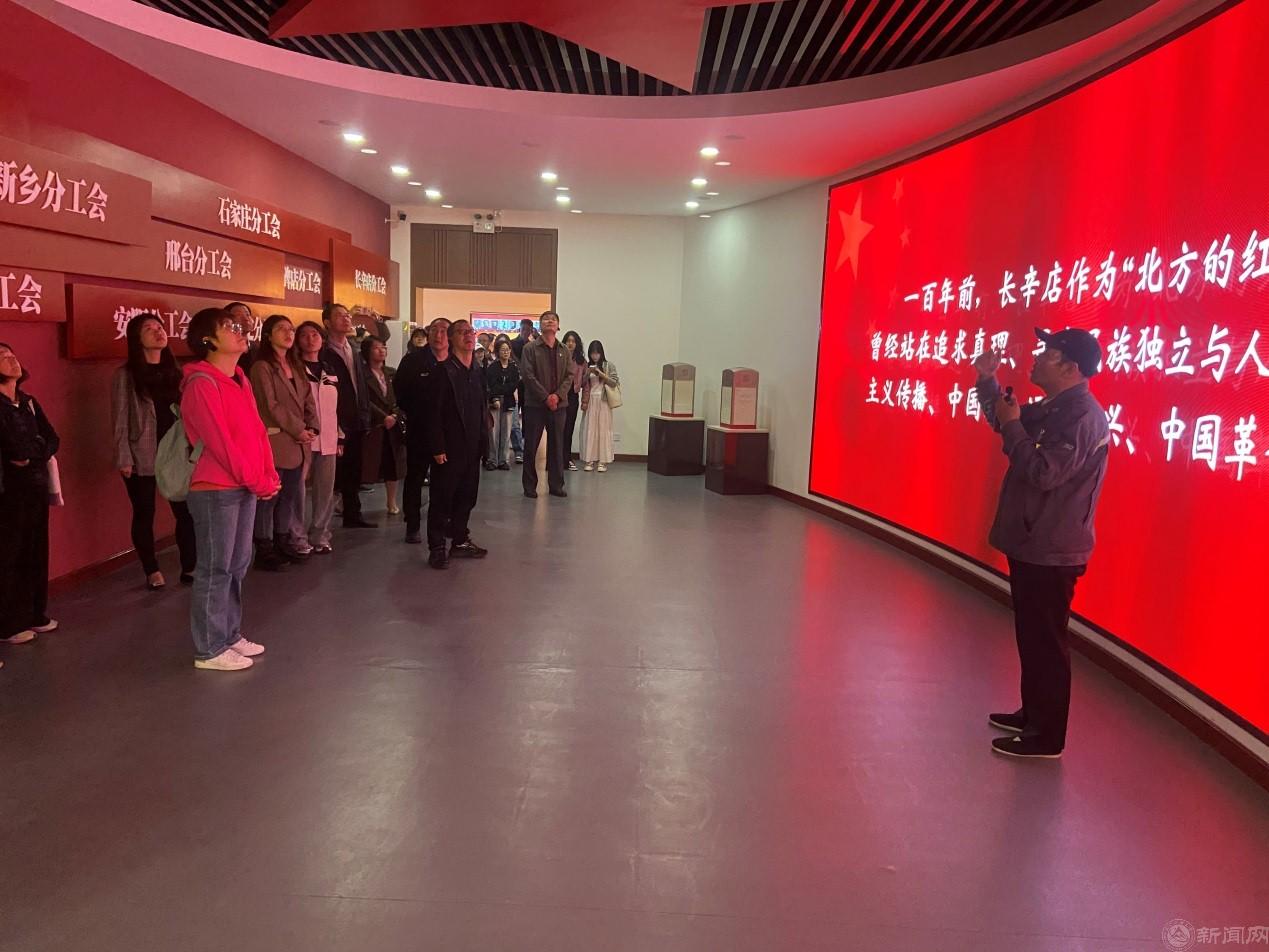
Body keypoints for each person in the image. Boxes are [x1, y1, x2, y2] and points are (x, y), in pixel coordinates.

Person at [973, 327, 1109, 759]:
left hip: (1053, 549)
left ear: (1070, 368)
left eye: (1047, 354)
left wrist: (1014, 425)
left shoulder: (1081, 416)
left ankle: (1047, 736)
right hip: (1035, 542)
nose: (1036, 358)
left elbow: (1043, 472)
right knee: (1032, 636)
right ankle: (1033, 714)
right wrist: (988, 382)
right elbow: (1003, 422)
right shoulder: (1055, 407)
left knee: (1046, 642)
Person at [180, 308, 280, 671]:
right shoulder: (201, 384)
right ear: (207, 339)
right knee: (215, 568)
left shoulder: (240, 379)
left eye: (240, 327)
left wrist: (268, 474)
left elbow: (256, 432)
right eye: (229, 327)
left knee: (237, 564)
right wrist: (256, 480)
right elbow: (221, 445)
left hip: (243, 486)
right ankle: (209, 648)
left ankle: (229, 634)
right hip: (215, 489)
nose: (241, 332)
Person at [111, 313, 196, 589]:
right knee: (144, 512)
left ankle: (190, 566)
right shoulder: (126, 375)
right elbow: (120, 418)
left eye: (160, 327)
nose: (158, 332)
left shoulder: (178, 372)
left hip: (176, 451)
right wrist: (124, 456)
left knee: (185, 511)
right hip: (142, 452)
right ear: (137, 339)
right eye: (149, 329)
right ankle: (151, 570)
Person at [0, 342, 60, 657]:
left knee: (36, 549)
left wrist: (32, 452)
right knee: (10, 554)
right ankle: (8, 623)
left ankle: (35, 612)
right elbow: (13, 448)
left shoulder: (28, 402)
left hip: (36, 486)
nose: (11, 360)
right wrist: (30, 450)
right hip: (9, 491)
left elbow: (51, 439)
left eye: (12, 354)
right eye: (2, 357)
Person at [249, 315, 318, 570]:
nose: (289, 333)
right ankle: (264, 548)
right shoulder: (262, 367)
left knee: (289, 496)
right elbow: (270, 405)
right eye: (281, 329)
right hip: (276, 440)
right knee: (269, 499)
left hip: (298, 443)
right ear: (268, 335)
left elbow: (308, 399)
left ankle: (282, 540)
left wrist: (312, 426)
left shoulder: (295, 364)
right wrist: (299, 429)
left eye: (291, 329)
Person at [423, 320, 489, 570]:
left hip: (473, 445)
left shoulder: (477, 371)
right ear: (451, 339)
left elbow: (482, 408)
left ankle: (460, 539)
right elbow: (432, 413)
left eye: (471, 332)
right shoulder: (443, 372)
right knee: (442, 498)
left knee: (467, 496)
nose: (468, 336)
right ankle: (437, 547)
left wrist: (484, 441)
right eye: (462, 332)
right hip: (449, 448)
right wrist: (437, 446)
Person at [321, 302, 376, 528]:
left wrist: (365, 414)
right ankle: (323, 522)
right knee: (333, 473)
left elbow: (361, 385)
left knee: (354, 468)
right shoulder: (323, 351)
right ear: (327, 323)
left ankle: (353, 514)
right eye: (340, 316)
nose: (346, 319)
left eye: (347, 315)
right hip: (335, 419)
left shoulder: (353, 349)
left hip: (357, 418)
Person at [395, 317, 449, 544]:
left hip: (447, 434)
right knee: (415, 478)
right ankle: (413, 524)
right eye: (434, 330)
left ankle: (442, 523)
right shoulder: (412, 361)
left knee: (444, 481)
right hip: (419, 430)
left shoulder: (456, 361)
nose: (439, 335)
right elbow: (400, 393)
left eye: (444, 330)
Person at [294, 320, 339, 555]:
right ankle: (297, 535)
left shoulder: (330, 369)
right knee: (297, 489)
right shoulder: (293, 369)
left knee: (325, 490)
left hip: (329, 437)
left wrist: (340, 436)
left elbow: (338, 406)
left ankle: (320, 535)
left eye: (315, 334)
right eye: (304, 335)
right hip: (302, 437)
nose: (311, 339)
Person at [519, 311, 570, 499]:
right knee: (531, 446)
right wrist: (545, 397)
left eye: (553, 319)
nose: (550, 321)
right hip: (535, 405)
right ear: (540, 326)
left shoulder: (564, 350)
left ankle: (556, 485)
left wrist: (557, 396)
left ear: (558, 326)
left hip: (559, 406)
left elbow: (569, 376)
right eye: (546, 319)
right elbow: (527, 375)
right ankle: (529, 486)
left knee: (557, 446)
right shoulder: (530, 348)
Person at [361, 336, 405, 514]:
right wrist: (383, 417)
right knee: (365, 464)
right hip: (373, 425)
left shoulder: (391, 372)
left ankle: (391, 501)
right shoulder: (362, 373)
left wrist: (395, 414)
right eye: (376, 347)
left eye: (383, 347)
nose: (382, 350)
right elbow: (364, 399)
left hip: (393, 424)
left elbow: (400, 396)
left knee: (393, 464)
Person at [580, 339, 620, 473]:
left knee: (603, 429)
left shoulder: (608, 365)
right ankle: (589, 459)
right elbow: (582, 383)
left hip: (603, 400)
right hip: (591, 400)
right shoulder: (587, 366)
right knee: (590, 429)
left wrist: (600, 373)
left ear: (601, 353)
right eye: (592, 353)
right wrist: (587, 373)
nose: (595, 356)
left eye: (597, 353)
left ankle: (603, 461)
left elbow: (614, 382)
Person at [485, 339, 519, 471]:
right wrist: (496, 396)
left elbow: (514, 385)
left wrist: (503, 390)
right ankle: (492, 460)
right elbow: (491, 384)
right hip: (494, 402)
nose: (506, 352)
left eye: (507, 349)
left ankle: (504, 460)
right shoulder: (492, 367)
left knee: (506, 431)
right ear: (498, 351)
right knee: (493, 432)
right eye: (503, 350)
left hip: (509, 402)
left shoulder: (513, 367)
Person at [509, 318, 535, 464]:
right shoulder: (512, 344)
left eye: (528, 330)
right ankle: (515, 444)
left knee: (527, 413)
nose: (525, 332)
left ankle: (525, 442)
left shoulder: (532, 345)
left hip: (527, 385)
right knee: (513, 415)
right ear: (520, 329)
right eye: (523, 329)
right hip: (515, 383)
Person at [561, 330, 586, 472]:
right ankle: (556, 459)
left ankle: (567, 458)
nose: (570, 344)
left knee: (569, 428)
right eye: (568, 341)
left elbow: (584, 384)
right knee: (558, 428)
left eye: (573, 341)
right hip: (560, 395)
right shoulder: (559, 357)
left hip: (573, 396)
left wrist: (585, 401)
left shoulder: (581, 362)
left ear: (577, 344)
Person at [226, 302, 259, 370]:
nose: (246, 319)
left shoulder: (258, 348)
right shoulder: (225, 349)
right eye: (238, 315)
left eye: (247, 314)